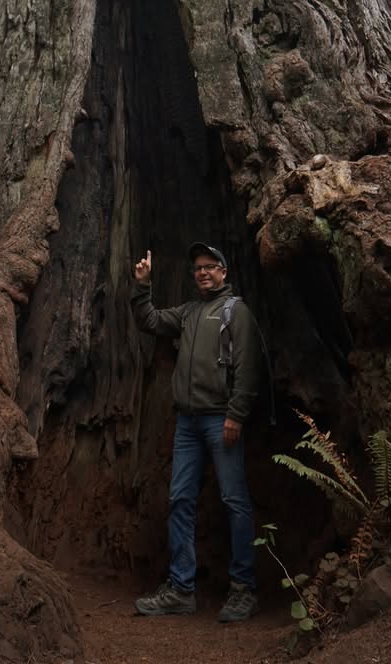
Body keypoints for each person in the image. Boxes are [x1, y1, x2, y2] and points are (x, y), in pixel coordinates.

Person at [131, 242, 262, 623]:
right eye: (198, 268)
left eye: (210, 266)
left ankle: (243, 589)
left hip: (220, 418)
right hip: (187, 422)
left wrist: (236, 415)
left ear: (224, 271)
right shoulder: (189, 312)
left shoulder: (235, 312)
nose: (203, 272)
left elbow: (249, 368)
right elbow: (151, 322)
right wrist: (142, 286)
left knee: (234, 500)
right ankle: (181, 589)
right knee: (180, 500)